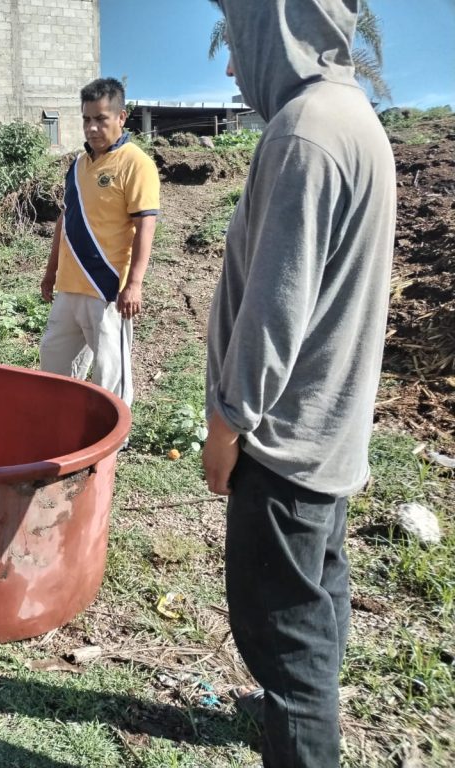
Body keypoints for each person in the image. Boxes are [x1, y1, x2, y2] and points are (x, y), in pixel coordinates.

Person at [202, 1, 396, 766]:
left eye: (239, 37)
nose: (231, 63)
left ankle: (301, 726)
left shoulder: (306, 132)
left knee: (285, 636)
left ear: (273, 26)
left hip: (283, 445)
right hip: (329, 433)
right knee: (316, 607)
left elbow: (274, 311)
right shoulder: (354, 119)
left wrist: (226, 425)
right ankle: (299, 706)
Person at [39, 77, 159, 415]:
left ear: (121, 118)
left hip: (107, 289)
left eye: (101, 119)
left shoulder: (135, 163)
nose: (92, 128)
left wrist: (134, 285)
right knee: (54, 359)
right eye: (86, 119)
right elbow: (65, 221)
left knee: (110, 372)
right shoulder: (77, 166)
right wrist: (51, 272)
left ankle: (111, 445)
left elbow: (145, 224)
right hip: (69, 287)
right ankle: (62, 423)